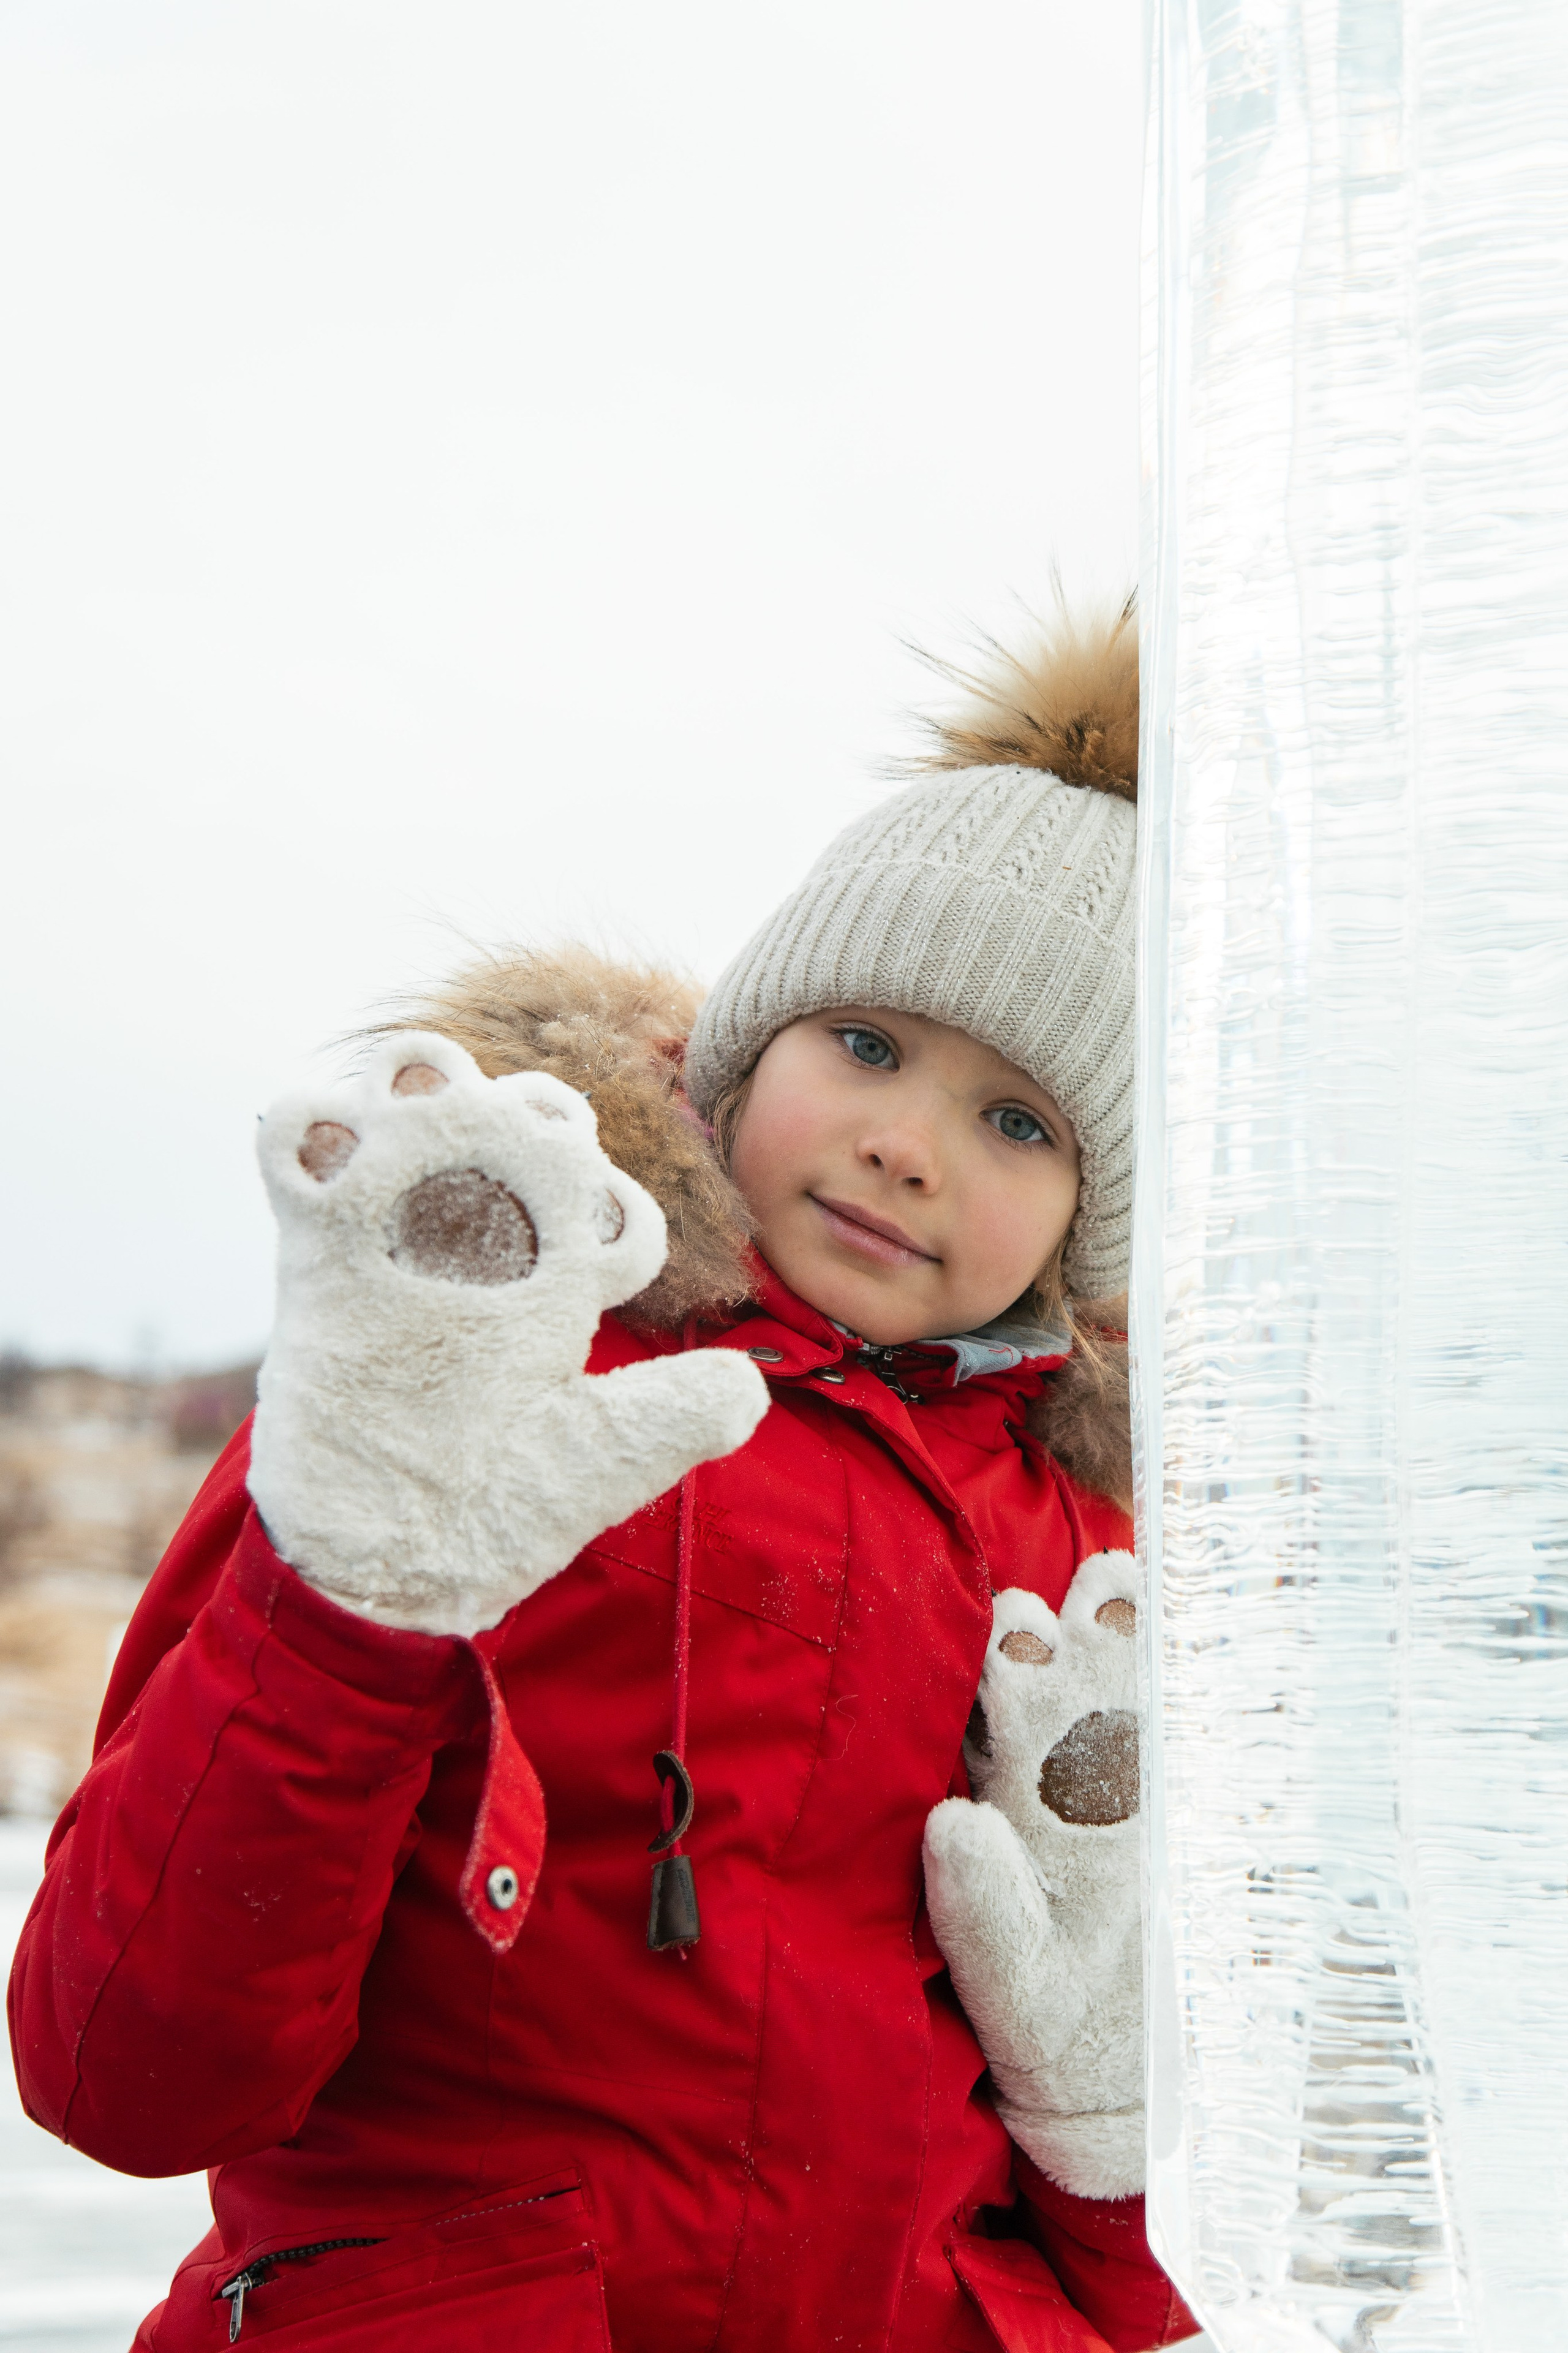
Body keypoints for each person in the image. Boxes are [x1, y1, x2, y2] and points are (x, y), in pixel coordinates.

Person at [8, 605, 1196, 2352]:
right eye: (866, 1044)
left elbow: (1150, 2285)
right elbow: (130, 2073)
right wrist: (341, 1611)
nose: (909, 1143)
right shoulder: (480, 1366)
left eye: (1023, 1122)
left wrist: (1110, 2113)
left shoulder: (1086, 1561)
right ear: (747, 1043)